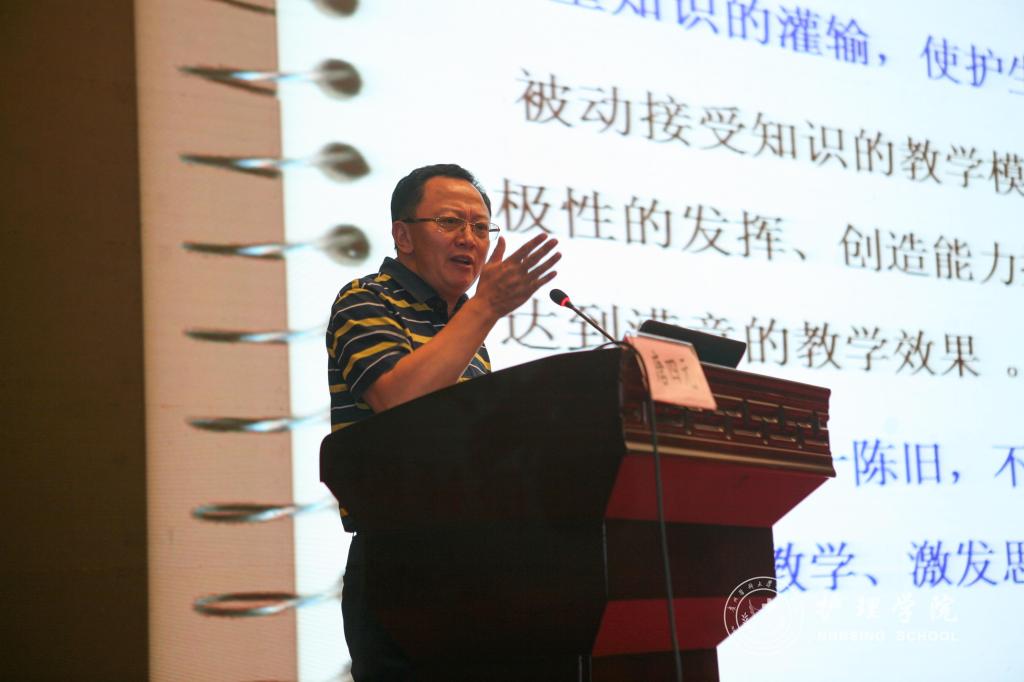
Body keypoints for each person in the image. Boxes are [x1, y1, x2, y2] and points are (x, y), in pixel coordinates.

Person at [325, 163, 560, 680]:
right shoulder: (366, 299)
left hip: (477, 563)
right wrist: (486, 308)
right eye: (450, 222)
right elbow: (399, 400)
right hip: (399, 560)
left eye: (481, 227)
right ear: (403, 235)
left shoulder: (464, 331)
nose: (469, 239)